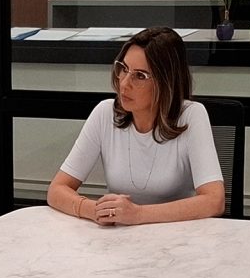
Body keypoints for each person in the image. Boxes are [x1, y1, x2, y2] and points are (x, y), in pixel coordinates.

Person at [46, 27, 225, 227]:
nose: (124, 84)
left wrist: (138, 214)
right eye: (123, 69)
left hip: (177, 236)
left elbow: (214, 201)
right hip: (120, 237)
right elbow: (57, 189)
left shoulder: (191, 116)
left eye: (139, 76)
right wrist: (95, 210)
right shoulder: (105, 113)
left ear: (166, 82)